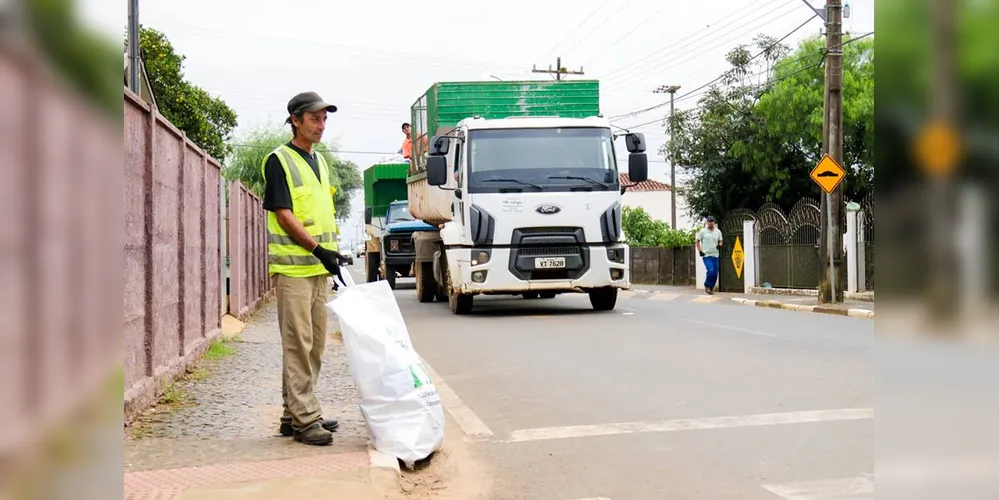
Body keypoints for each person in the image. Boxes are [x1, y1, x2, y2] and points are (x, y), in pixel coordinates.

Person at [261, 91, 346, 446]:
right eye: (314, 118)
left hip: (318, 270)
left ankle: (293, 413)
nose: (321, 125)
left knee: (314, 347)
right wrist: (318, 249)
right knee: (299, 345)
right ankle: (305, 418)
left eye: (324, 119)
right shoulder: (278, 160)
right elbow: (284, 213)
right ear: (295, 120)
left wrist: (332, 256)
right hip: (294, 270)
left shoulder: (320, 162)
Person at [696, 216, 724, 294]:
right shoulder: (703, 232)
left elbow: (721, 240)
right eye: (709, 221)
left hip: (715, 255)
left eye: (712, 221)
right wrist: (700, 251)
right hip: (706, 255)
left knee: (715, 273)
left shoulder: (718, 232)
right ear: (707, 222)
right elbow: (697, 241)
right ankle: (707, 285)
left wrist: (720, 245)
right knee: (711, 270)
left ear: (714, 222)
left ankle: (711, 287)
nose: (711, 223)